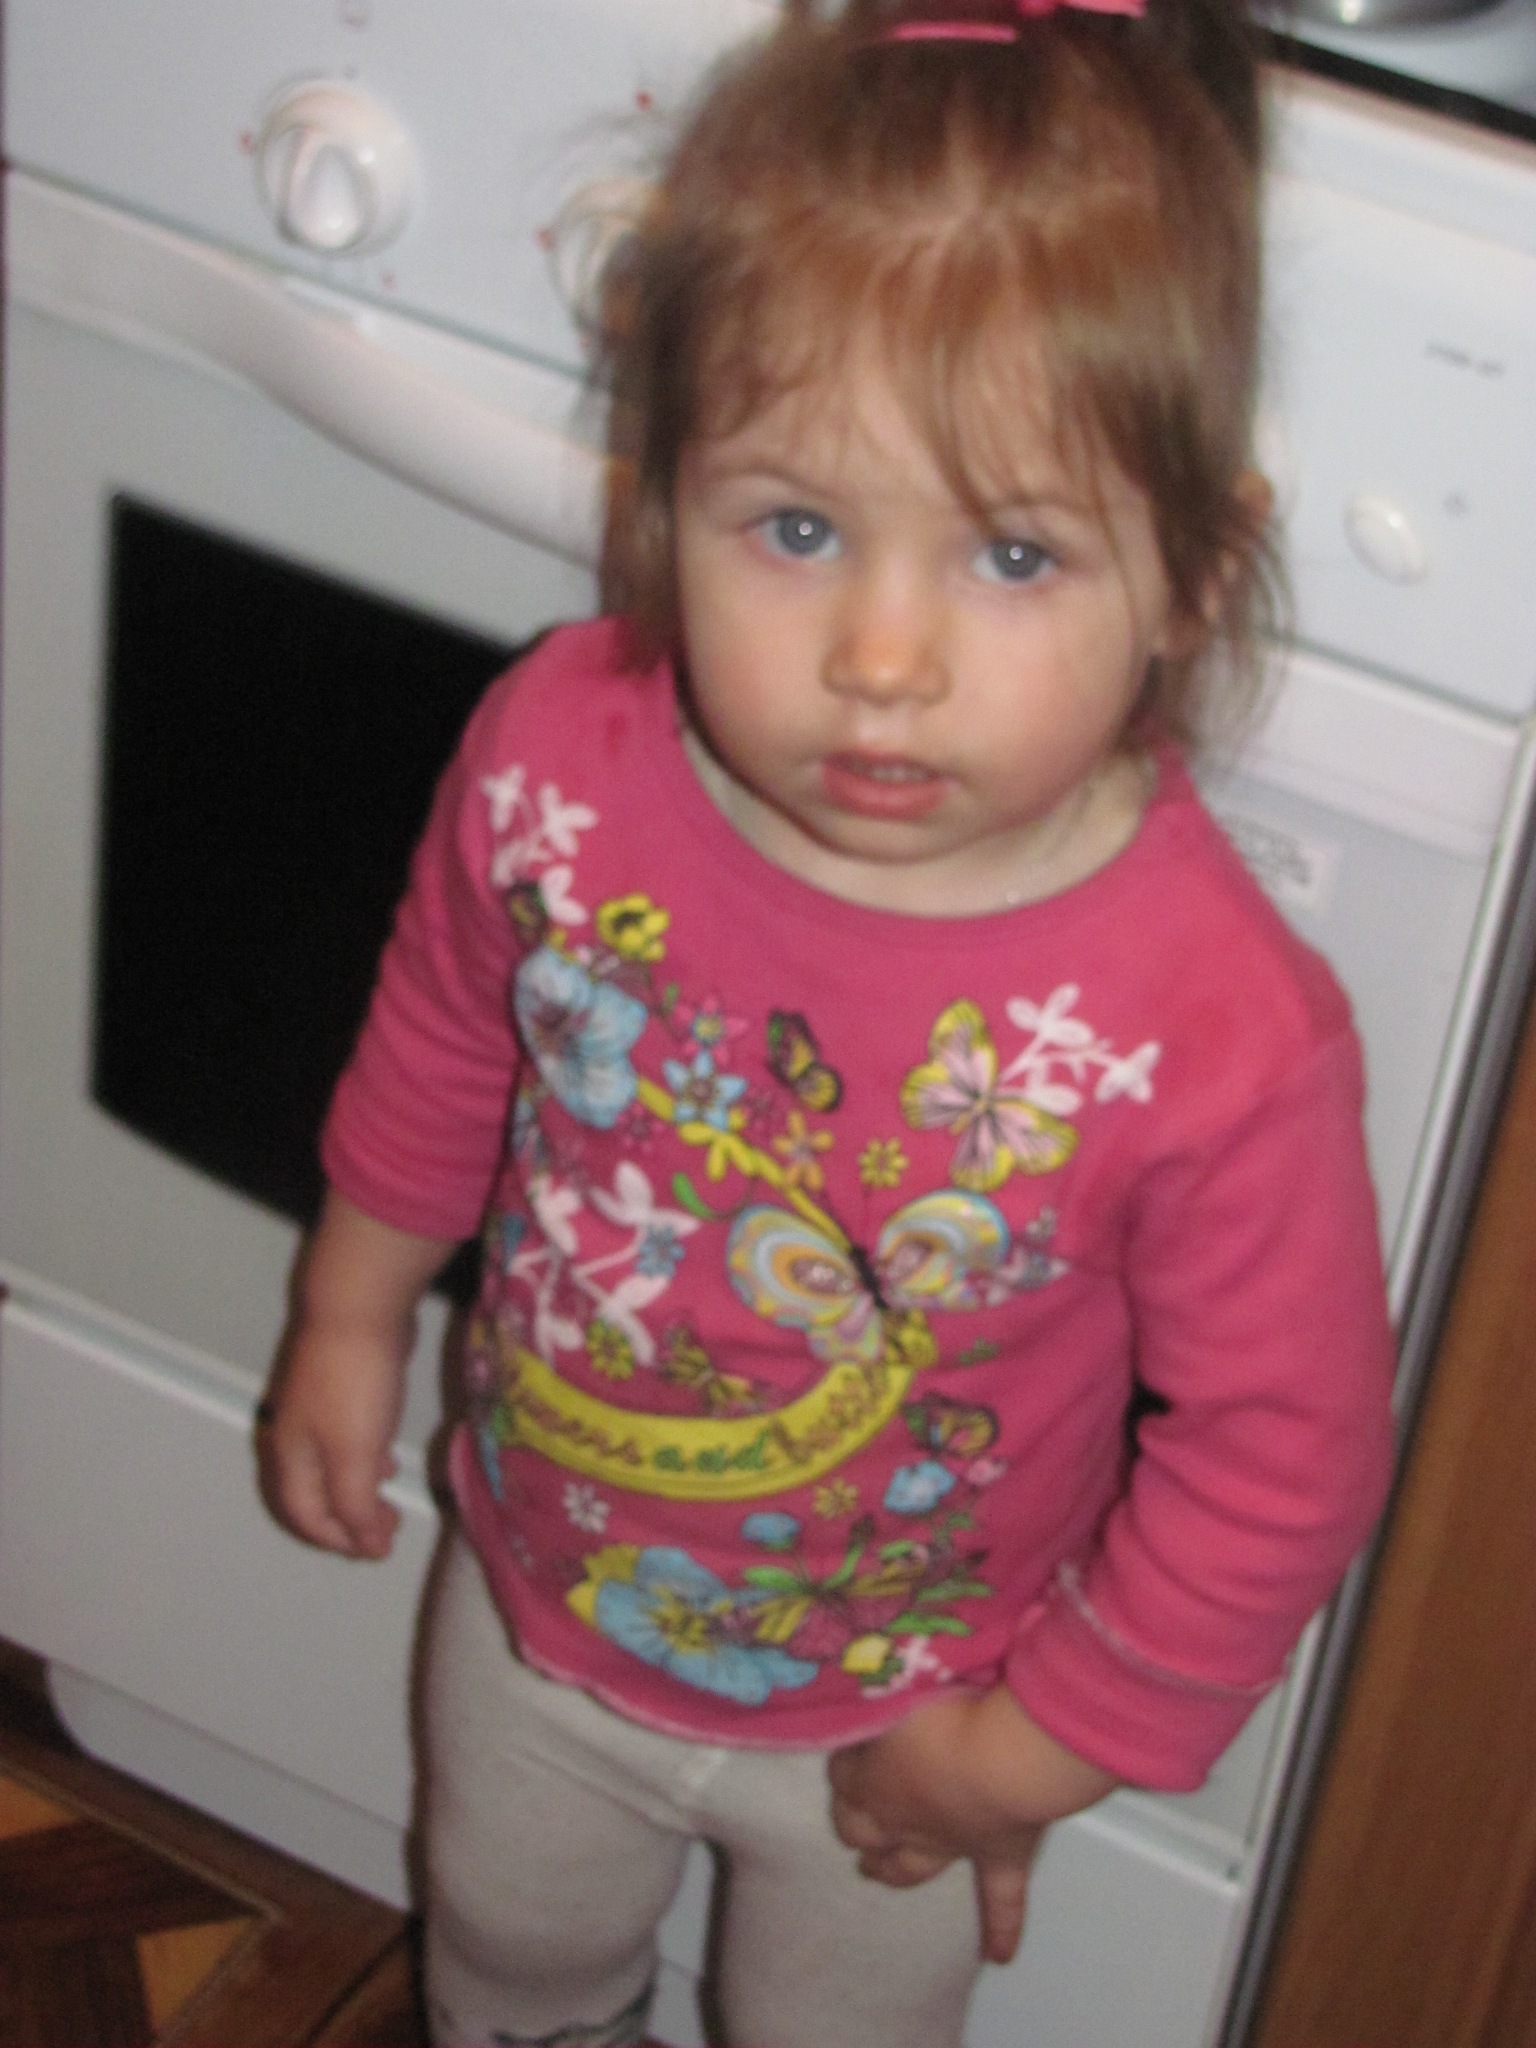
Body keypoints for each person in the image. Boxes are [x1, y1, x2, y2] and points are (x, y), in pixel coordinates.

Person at [262, 1, 1396, 2042]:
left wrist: (1035, 1752)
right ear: (665, 488)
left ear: (1192, 577)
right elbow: (443, 1035)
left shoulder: (1216, 1028)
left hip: (917, 1729)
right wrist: (350, 1313)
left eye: (1015, 551)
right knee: (506, 1960)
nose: (883, 654)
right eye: (794, 527)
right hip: (536, 1613)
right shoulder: (555, 755)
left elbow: (1282, 1457)